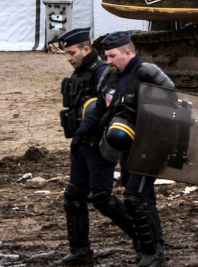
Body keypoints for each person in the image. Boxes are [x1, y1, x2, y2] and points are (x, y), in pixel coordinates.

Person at [75, 31, 174, 267]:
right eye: (106, 57)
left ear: (128, 53)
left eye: (112, 56)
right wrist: (82, 133)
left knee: (134, 197)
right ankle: (152, 245)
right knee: (143, 196)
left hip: (150, 146)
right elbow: (100, 109)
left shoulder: (148, 74)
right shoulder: (108, 77)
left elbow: (175, 106)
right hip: (126, 148)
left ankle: (152, 252)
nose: (107, 61)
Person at [55, 28, 137, 266]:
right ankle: (80, 251)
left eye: (72, 53)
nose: (68, 58)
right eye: (66, 54)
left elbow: (109, 109)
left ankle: (144, 238)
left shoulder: (102, 72)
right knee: (73, 195)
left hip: (99, 146)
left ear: (86, 49)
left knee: (101, 197)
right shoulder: (80, 72)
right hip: (81, 143)